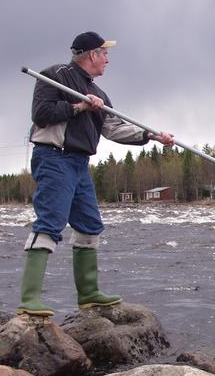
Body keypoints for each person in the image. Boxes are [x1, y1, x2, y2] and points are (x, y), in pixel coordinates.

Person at [18, 31, 174, 316]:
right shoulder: (54, 75)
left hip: (79, 164)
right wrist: (80, 106)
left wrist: (152, 136)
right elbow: (41, 114)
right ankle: (29, 301)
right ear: (92, 54)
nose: (108, 60)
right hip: (54, 157)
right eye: (105, 54)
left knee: (90, 226)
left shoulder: (100, 94)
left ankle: (89, 294)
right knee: (50, 223)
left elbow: (114, 128)